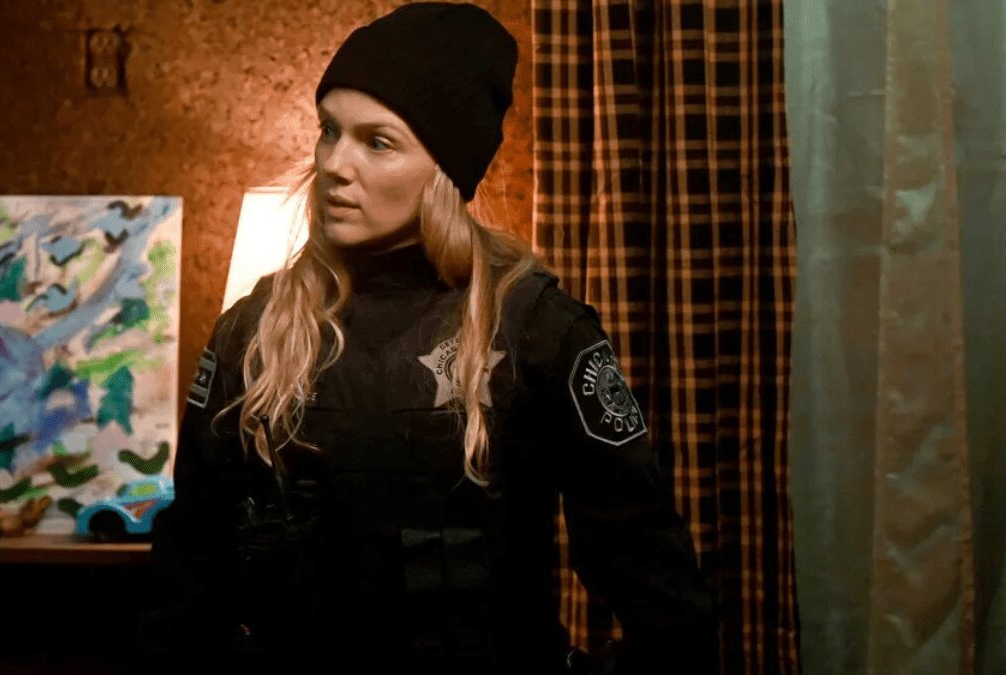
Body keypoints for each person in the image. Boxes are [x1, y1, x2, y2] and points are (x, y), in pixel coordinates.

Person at [135, 3, 718, 674]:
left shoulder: (536, 328)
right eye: (330, 131)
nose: (335, 164)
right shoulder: (257, 327)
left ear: (444, 168)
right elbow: (187, 572)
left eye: (377, 142)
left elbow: (656, 583)